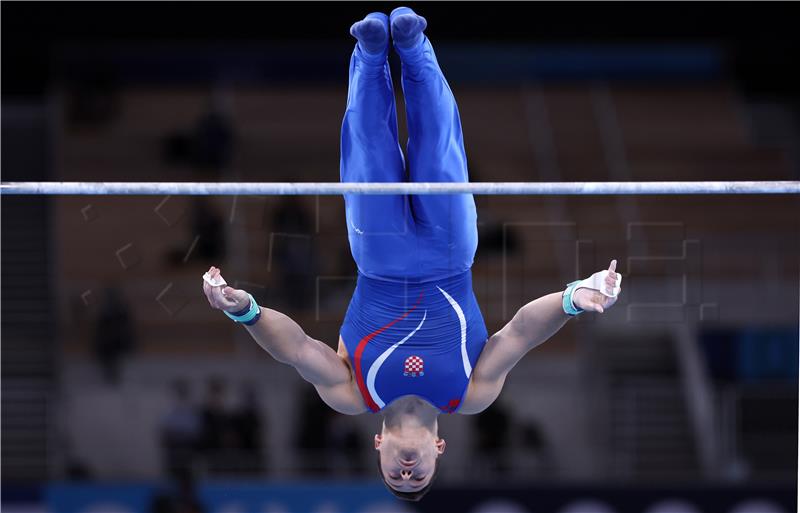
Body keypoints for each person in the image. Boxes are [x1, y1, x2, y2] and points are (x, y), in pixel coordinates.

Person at [201, 6, 623, 501]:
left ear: (377, 445)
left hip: (379, 259)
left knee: (368, 150)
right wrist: (575, 297)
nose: (406, 470)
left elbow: (296, 350)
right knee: (439, 147)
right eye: (417, 476)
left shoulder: (352, 395)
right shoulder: (471, 395)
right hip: (450, 253)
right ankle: (414, 46)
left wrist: (246, 312)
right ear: (439, 450)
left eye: (396, 475)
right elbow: (521, 332)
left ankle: (372, 50)